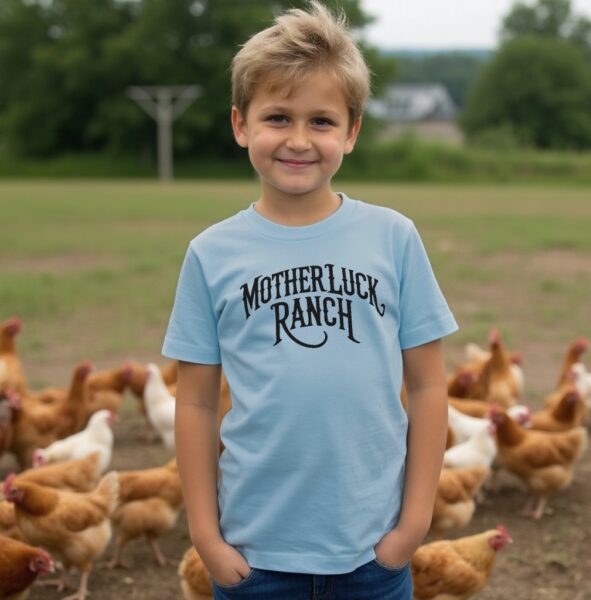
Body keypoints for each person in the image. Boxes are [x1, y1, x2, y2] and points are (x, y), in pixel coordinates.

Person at [162, 2, 458, 598]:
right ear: (241, 124)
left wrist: (413, 524)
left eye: (321, 121)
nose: (299, 140)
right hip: (253, 556)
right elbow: (194, 403)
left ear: (351, 131)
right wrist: (206, 538)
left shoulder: (393, 238)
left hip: (373, 555)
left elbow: (427, 386)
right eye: (277, 117)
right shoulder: (210, 253)